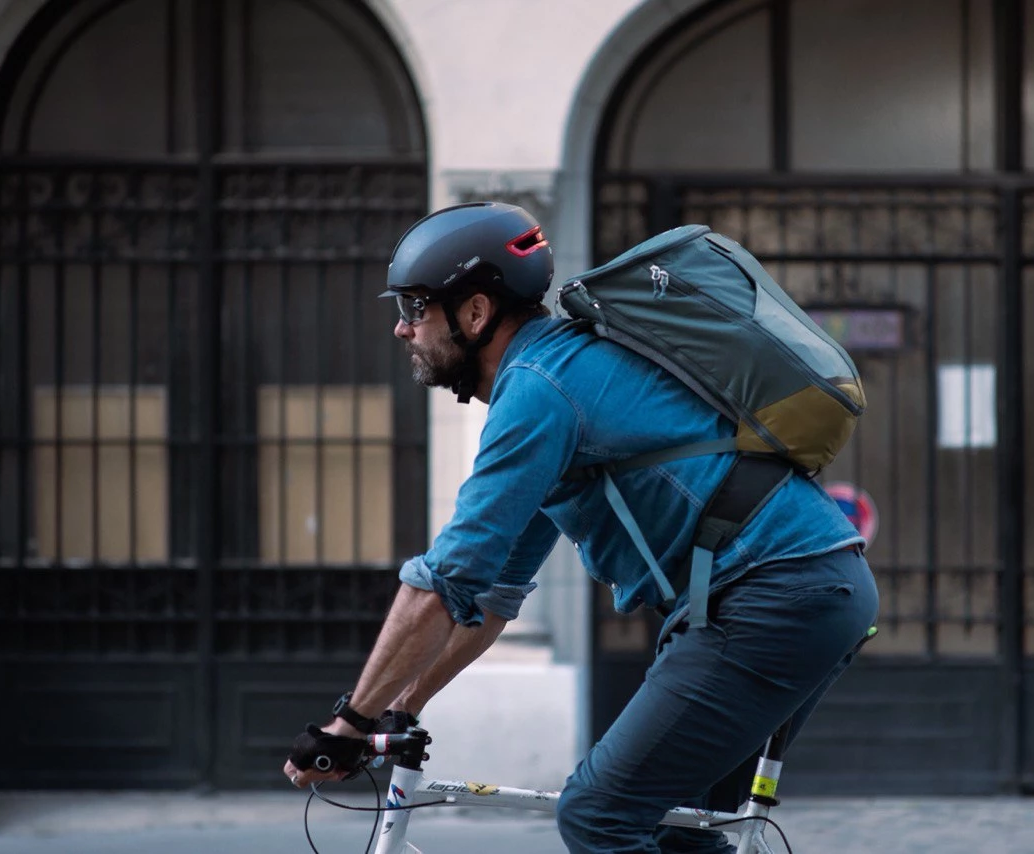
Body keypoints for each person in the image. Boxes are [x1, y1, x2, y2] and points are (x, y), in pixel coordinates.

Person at [283, 201, 879, 853]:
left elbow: (445, 577)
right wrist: (404, 707)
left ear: (476, 312)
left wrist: (347, 722)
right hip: (799, 590)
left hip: (773, 596)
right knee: (678, 833)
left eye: (414, 308)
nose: (403, 330)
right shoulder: (556, 379)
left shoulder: (539, 389)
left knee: (599, 815)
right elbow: (488, 595)